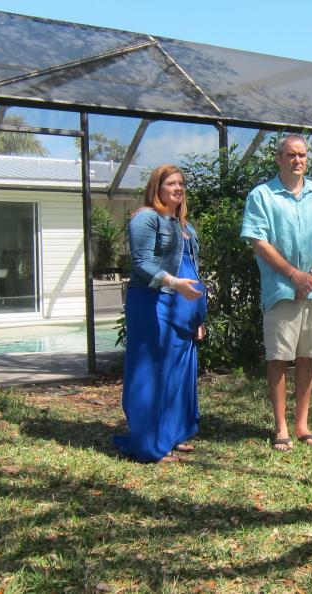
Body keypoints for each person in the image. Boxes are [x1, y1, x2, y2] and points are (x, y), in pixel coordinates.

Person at [240, 134, 312, 451]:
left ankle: (302, 425)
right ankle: (281, 428)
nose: (297, 160)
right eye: (290, 155)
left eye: (302, 155)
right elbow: (258, 242)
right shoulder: (261, 196)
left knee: (307, 357)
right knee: (279, 358)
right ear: (278, 159)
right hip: (281, 290)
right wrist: (293, 275)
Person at [114, 164, 207, 463]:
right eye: (171, 184)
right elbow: (142, 263)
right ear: (157, 187)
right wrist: (174, 283)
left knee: (178, 373)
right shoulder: (146, 218)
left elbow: (192, 268)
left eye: (181, 184)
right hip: (154, 303)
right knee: (151, 372)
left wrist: (197, 316)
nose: (178, 188)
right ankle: (148, 443)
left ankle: (171, 434)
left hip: (183, 310)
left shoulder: (185, 226)